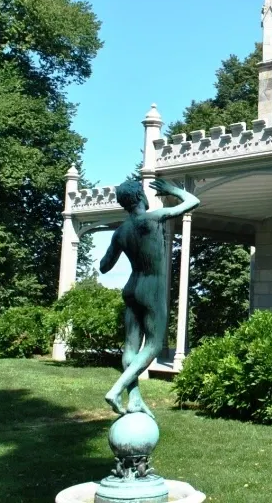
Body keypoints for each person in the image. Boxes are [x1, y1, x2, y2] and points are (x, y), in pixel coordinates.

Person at [99, 176, 200, 416]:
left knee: (131, 347)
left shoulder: (121, 232)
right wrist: (172, 189)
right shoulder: (153, 218)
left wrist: (121, 246)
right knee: (154, 346)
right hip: (151, 289)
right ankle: (116, 390)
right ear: (141, 196)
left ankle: (134, 399)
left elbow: (104, 266)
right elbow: (193, 201)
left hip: (131, 288)